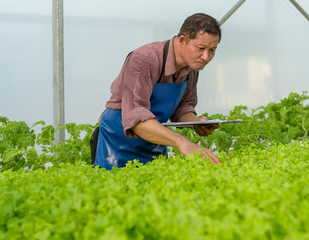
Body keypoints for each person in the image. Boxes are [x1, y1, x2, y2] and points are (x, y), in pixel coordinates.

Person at [91, 13, 222, 170]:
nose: (206, 57)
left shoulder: (192, 65)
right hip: (116, 144)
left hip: (154, 142)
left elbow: (182, 106)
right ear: (182, 41)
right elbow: (136, 119)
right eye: (201, 48)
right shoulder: (144, 60)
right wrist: (182, 142)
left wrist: (195, 122)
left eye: (212, 50)